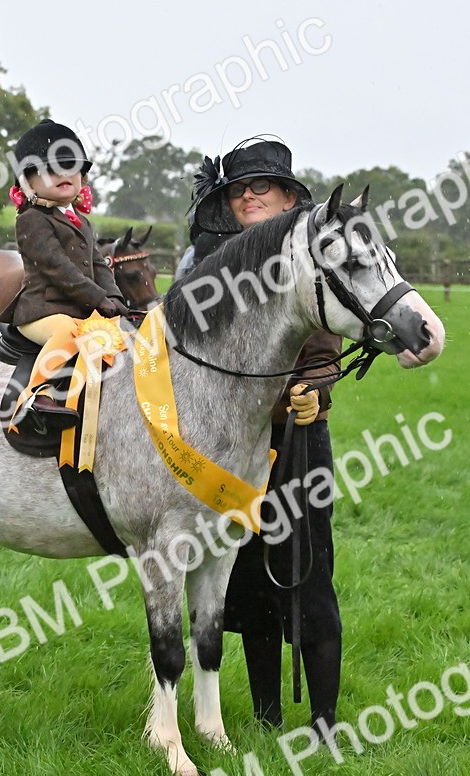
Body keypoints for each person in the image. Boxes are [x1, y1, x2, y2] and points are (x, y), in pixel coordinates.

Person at [183, 137, 344, 739]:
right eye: (239, 188)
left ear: (286, 196)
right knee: (247, 582)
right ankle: (264, 716)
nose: (249, 195)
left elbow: (326, 348)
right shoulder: (213, 261)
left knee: (308, 574)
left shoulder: (313, 259)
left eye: (262, 186)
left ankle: (326, 724)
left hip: (299, 439)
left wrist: (315, 393)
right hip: (228, 448)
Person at [0, 119, 128, 428]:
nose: (63, 175)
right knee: (68, 332)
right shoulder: (31, 220)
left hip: (82, 310)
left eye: (70, 168)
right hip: (41, 311)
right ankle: (36, 395)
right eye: (50, 170)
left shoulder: (82, 223)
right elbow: (58, 268)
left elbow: (99, 265)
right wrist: (97, 298)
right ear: (28, 182)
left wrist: (113, 297)